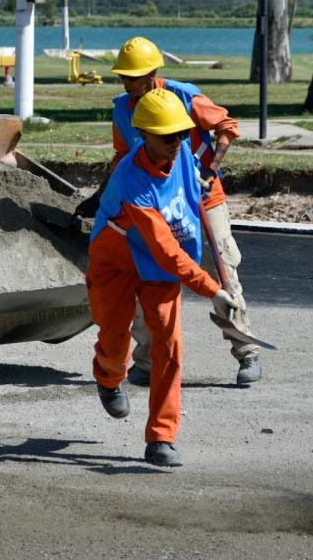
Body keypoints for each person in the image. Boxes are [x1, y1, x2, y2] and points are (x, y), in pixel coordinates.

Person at [76, 36, 261, 386]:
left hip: (203, 198)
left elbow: (227, 127)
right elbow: (122, 157)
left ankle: (246, 350)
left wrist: (211, 171)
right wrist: (100, 196)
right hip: (156, 204)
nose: (127, 83)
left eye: (133, 77)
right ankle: (147, 361)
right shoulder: (123, 110)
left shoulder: (183, 96)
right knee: (149, 274)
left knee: (222, 271)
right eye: (123, 76)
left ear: (152, 74)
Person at [88, 88, 239, 467]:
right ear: (144, 135)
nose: (176, 143)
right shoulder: (133, 181)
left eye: (181, 134)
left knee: (169, 347)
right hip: (118, 261)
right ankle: (108, 378)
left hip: (158, 268)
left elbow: (190, 187)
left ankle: (161, 437)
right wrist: (212, 290)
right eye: (167, 136)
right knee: (114, 339)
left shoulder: (182, 153)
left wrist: (202, 179)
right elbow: (165, 250)